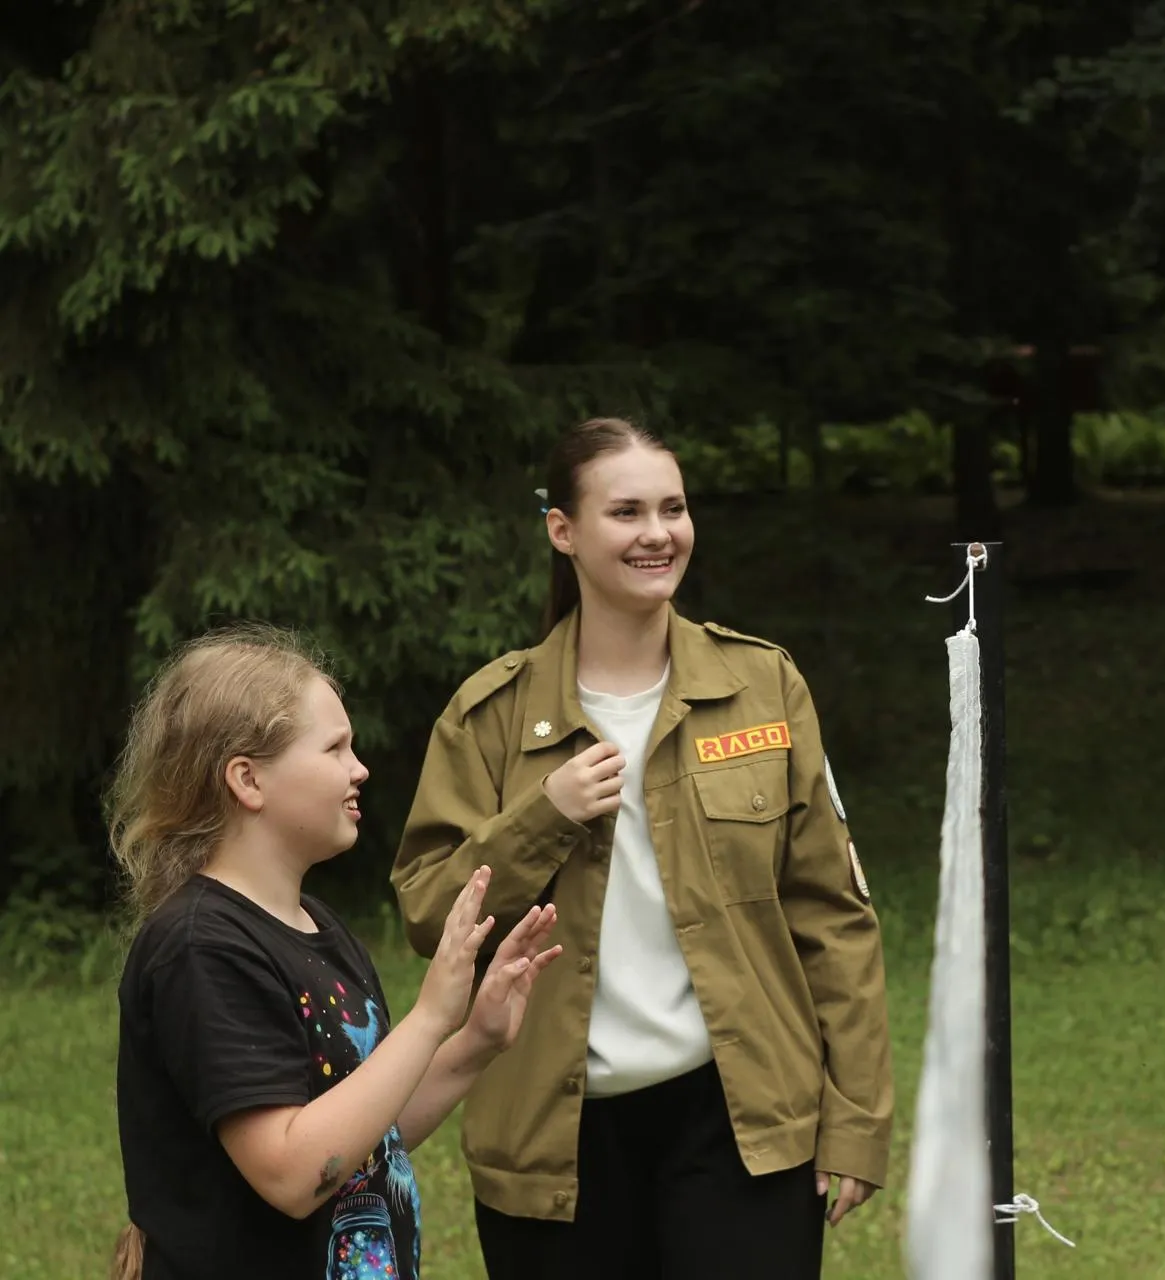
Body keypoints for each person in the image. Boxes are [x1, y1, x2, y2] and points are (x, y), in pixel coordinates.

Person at [390, 417, 892, 1279]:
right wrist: (543, 816)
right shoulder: (490, 715)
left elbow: (832, 916)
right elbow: (431, 916)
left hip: (740, 1122)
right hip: (553, 1140)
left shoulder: (763, 685)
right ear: (563, 531)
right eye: (626, 512)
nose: (658, 533)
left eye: (673, 508)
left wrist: (855, 1119)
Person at [109, 624, 562, 1280]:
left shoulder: (315, 926)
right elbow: (294, 1174)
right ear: (247, 780)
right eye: (334, 748)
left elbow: (363, 1137)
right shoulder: (201, 948)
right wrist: (430, 1017)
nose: (360, 768)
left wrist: (474, 1042)